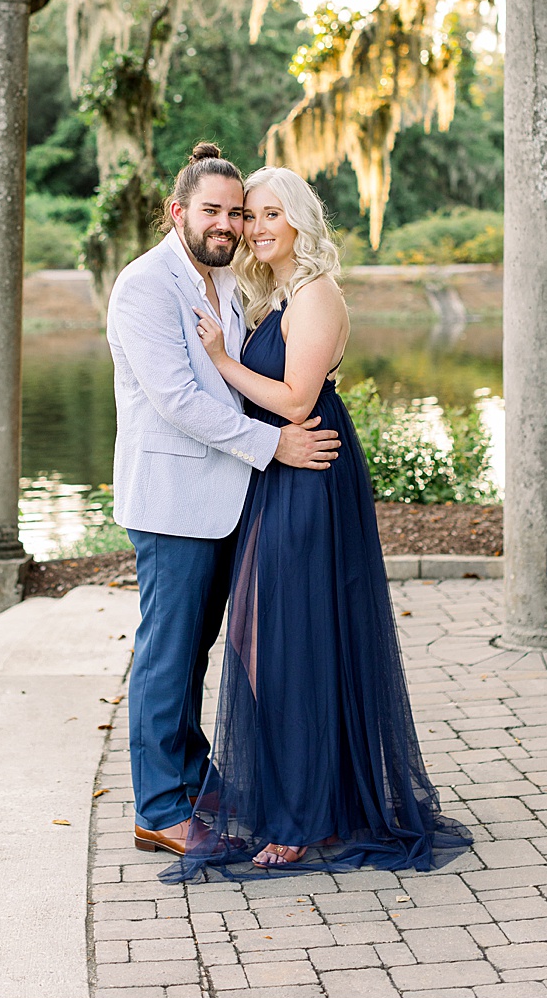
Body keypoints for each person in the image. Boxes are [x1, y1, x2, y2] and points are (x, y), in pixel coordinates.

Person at [168, 166, 472, 878]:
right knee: (269, 636)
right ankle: (308, 799)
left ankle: (303, 822)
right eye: (251, 216)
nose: (258, 227)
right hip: (279, 471)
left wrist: (218, 358)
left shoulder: (313, 294)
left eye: (272, 214)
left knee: (290, 641)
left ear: (300, 222)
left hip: (307, 469)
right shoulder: (276, 296)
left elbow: (297, 400)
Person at [105, 143, 341, 860]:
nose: (229, 224)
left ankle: (195, 780)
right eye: (213, 210)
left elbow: (253, 372)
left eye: (237, 212)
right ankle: (161, 809)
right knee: (166, 656)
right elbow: (177, 400)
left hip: (230, 502)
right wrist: (274, 447)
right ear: (178, 212)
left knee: (201, 651)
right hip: (174, 502)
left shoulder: (227, 285)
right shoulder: (145, 286)